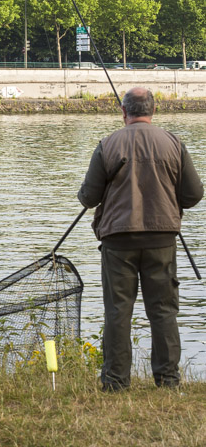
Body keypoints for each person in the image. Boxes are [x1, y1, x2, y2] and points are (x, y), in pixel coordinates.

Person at [78, 87, 203, 391]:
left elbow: (88, 198)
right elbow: (193, 195)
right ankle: (168, 380)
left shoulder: (108, 144)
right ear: (153, 110)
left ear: (124, 112)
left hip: (118, 241)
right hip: (162, 239)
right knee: (163, 310)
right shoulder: (173, 143)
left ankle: (116, 382)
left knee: (118, 310)